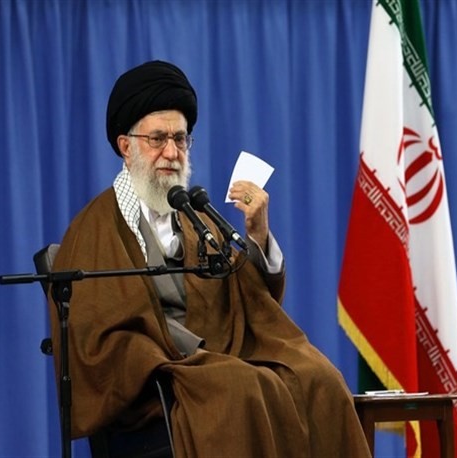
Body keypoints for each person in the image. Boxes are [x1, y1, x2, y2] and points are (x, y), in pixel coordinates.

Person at [47, 60, 371, 458]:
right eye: (158, 139)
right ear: (125, 146)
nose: (171, 152)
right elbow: (96, 333)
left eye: (181, 139)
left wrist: (257, 235)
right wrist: (171, 352)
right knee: (242, 387)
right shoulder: (95, 227)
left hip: (216, 359)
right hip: (157, 381)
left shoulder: (195, 217)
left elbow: (248, 299)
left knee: (319, 379)